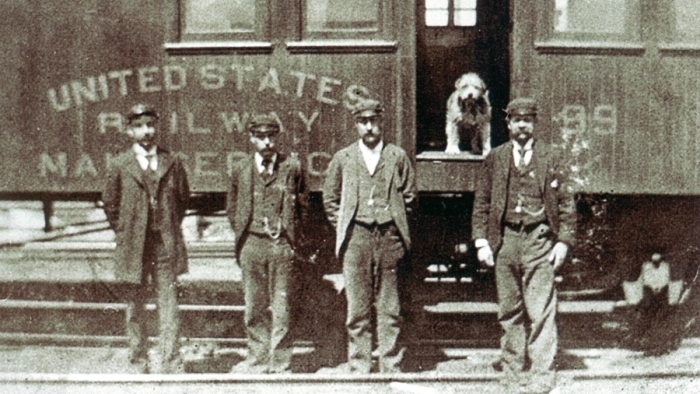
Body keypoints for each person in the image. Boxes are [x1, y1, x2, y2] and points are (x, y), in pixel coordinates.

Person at [472, 97, 576, 393]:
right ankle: (513, 376)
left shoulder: (551, 157)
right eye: (516, 120)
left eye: (527, 120)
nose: (522, 126)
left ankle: (542, 377)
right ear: (507, 124)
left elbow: (567, 202)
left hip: (539, 240)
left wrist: (564, 242)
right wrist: (482, 242)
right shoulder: (496, 157)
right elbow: (481, 202)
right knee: (509, 311)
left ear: (535, 123)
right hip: (505, 241)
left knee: (541, 311)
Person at [322, 98, 417, 374]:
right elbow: (330, 200)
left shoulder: (397, 156)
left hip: (389, 238)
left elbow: (410, 197)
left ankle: (391, 364)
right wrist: (346, 228)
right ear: (356, 125)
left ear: (381, 122)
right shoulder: (344, 158)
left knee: (390, 306)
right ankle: (360, 365)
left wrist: (395, 225)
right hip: (357, 239)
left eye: (374, 121)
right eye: (363, 122)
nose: (369, 127)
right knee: (358, 307)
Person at [102, 103, 190, 374]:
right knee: (135, 305)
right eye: (139, 127)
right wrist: (129, 231)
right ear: (129, 131)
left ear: (157, 128)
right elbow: (111, 204)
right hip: (134, 247)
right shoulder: (119, 164)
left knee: (169, 304)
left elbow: (182, 200)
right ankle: (138, 360)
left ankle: (171, 361)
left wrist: (165, 227)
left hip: (164, 244)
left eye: (150, 125)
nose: (146, 132)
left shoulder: (172, 162)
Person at [226, 114, 307, 374]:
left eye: (271, 137)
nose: (267, 142)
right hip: (252, 244)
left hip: (281, 246)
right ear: (252, 139)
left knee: (282, 306)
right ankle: (258, 358)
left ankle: (281, 362)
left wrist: (289, 235)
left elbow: (303, 206)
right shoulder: (241, 168)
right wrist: (247, 232)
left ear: (277, 138)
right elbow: (232, 207)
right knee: (255, 305)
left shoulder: (291, 167)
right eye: (261, 137)